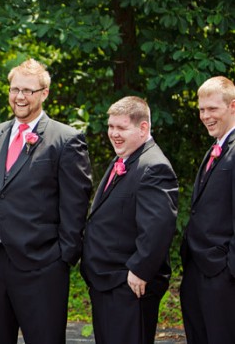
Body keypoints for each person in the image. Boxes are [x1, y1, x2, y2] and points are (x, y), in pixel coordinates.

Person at [0, 59, 92, 344]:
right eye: (15, 89)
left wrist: (62, 258)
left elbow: (75, 204)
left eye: (28, 90)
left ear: (44, 93)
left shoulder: (66, 139)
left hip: (41, 265)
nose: (19, 97)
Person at [81, 96, 178, 344]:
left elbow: (158, 226)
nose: (113, 134)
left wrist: (139, 270)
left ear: (143, 128)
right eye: (111, 126)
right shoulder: (124, 159)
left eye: (121, 128)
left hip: (130, 285)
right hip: (109, 283)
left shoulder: (153, 166)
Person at [180, 76, 235, 343]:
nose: (205, 116)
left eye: (212, 109)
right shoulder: (217, 147)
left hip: (222, 277)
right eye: (202, 109)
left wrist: (228, 271)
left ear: (233, 106)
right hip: (198, 271)